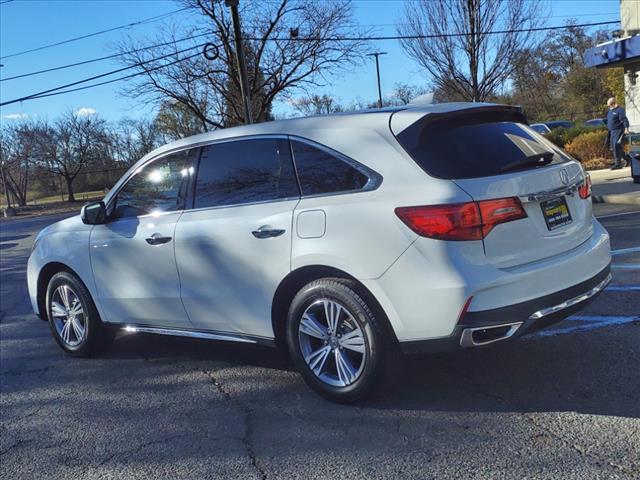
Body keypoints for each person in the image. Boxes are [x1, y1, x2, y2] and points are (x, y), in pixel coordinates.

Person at [605, 97, 630, 170]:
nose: (608, 107)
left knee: (616, 145)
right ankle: (627, 158)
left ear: (613, 104)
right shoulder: (610, 111)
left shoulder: (620, 110)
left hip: (618, 130)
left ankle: (618, 163)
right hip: (611, 131)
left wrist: (626, 128)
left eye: (609, 105)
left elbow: (624, 119)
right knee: (613, 147)